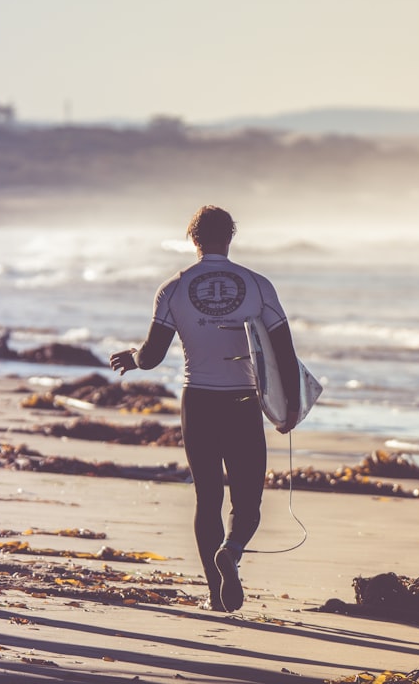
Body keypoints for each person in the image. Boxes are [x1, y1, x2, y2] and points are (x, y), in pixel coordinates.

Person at [109, 206, 302, 612]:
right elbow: (284, 353)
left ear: (192, 240)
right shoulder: (258, 285)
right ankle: (231, 552)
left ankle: (216, 594)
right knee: (248, 501)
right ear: (230, 238)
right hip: (243, 402)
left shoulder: (174, 288)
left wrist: (132, 357)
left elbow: (154, 354)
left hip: (197, 403)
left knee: (208, 497)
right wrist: (292, 409)